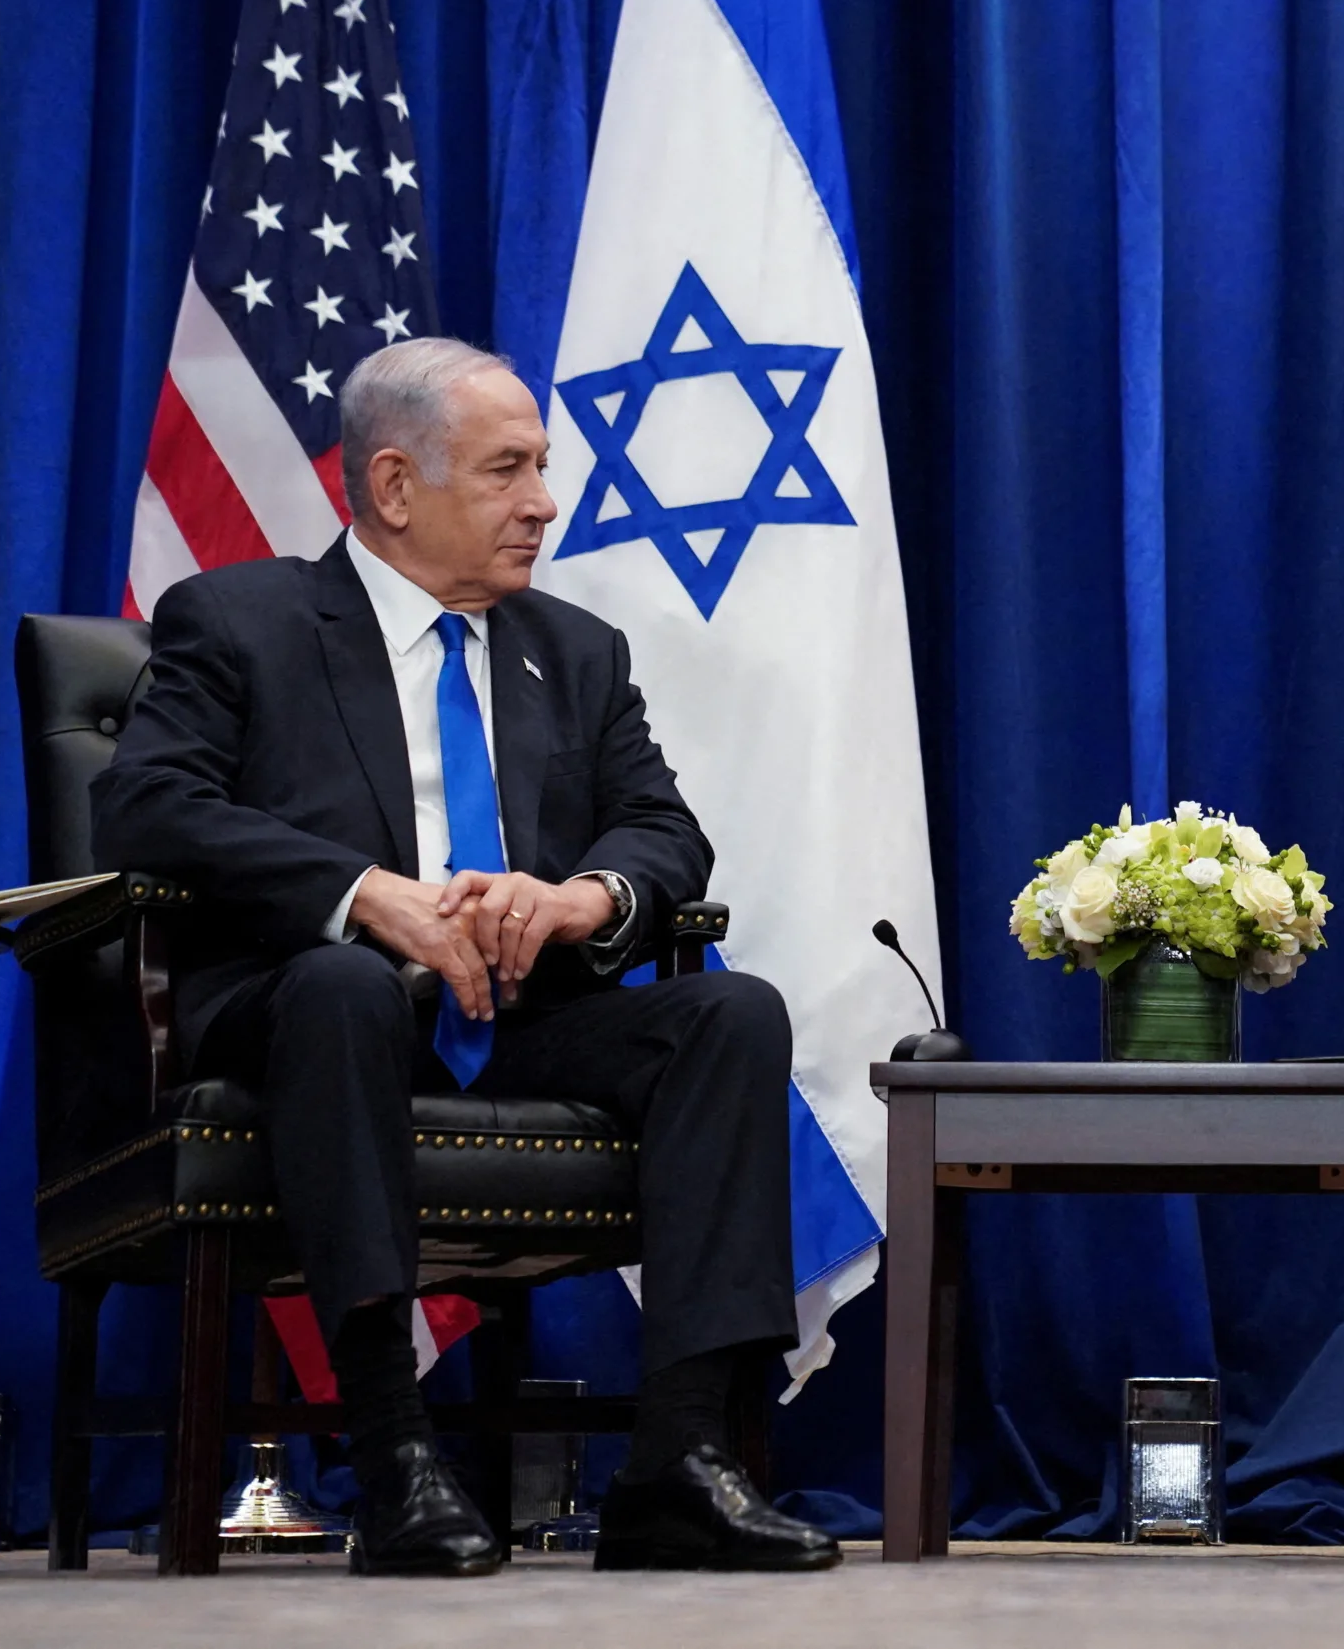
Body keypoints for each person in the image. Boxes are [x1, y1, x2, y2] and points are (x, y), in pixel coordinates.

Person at [92, 338, 838, 1578]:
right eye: (507, 471)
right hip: (317, 1013)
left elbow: (663, 831)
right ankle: (393, 1456)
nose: (544, 501)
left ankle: (679, 1464)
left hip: (527, 1014)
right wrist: (361, 894)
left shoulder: (576, 649)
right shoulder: (241, 619)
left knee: (734, 1014)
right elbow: (147, 807)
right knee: (339, 986)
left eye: (541, 467)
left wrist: (582, 897)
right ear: (393, 486)